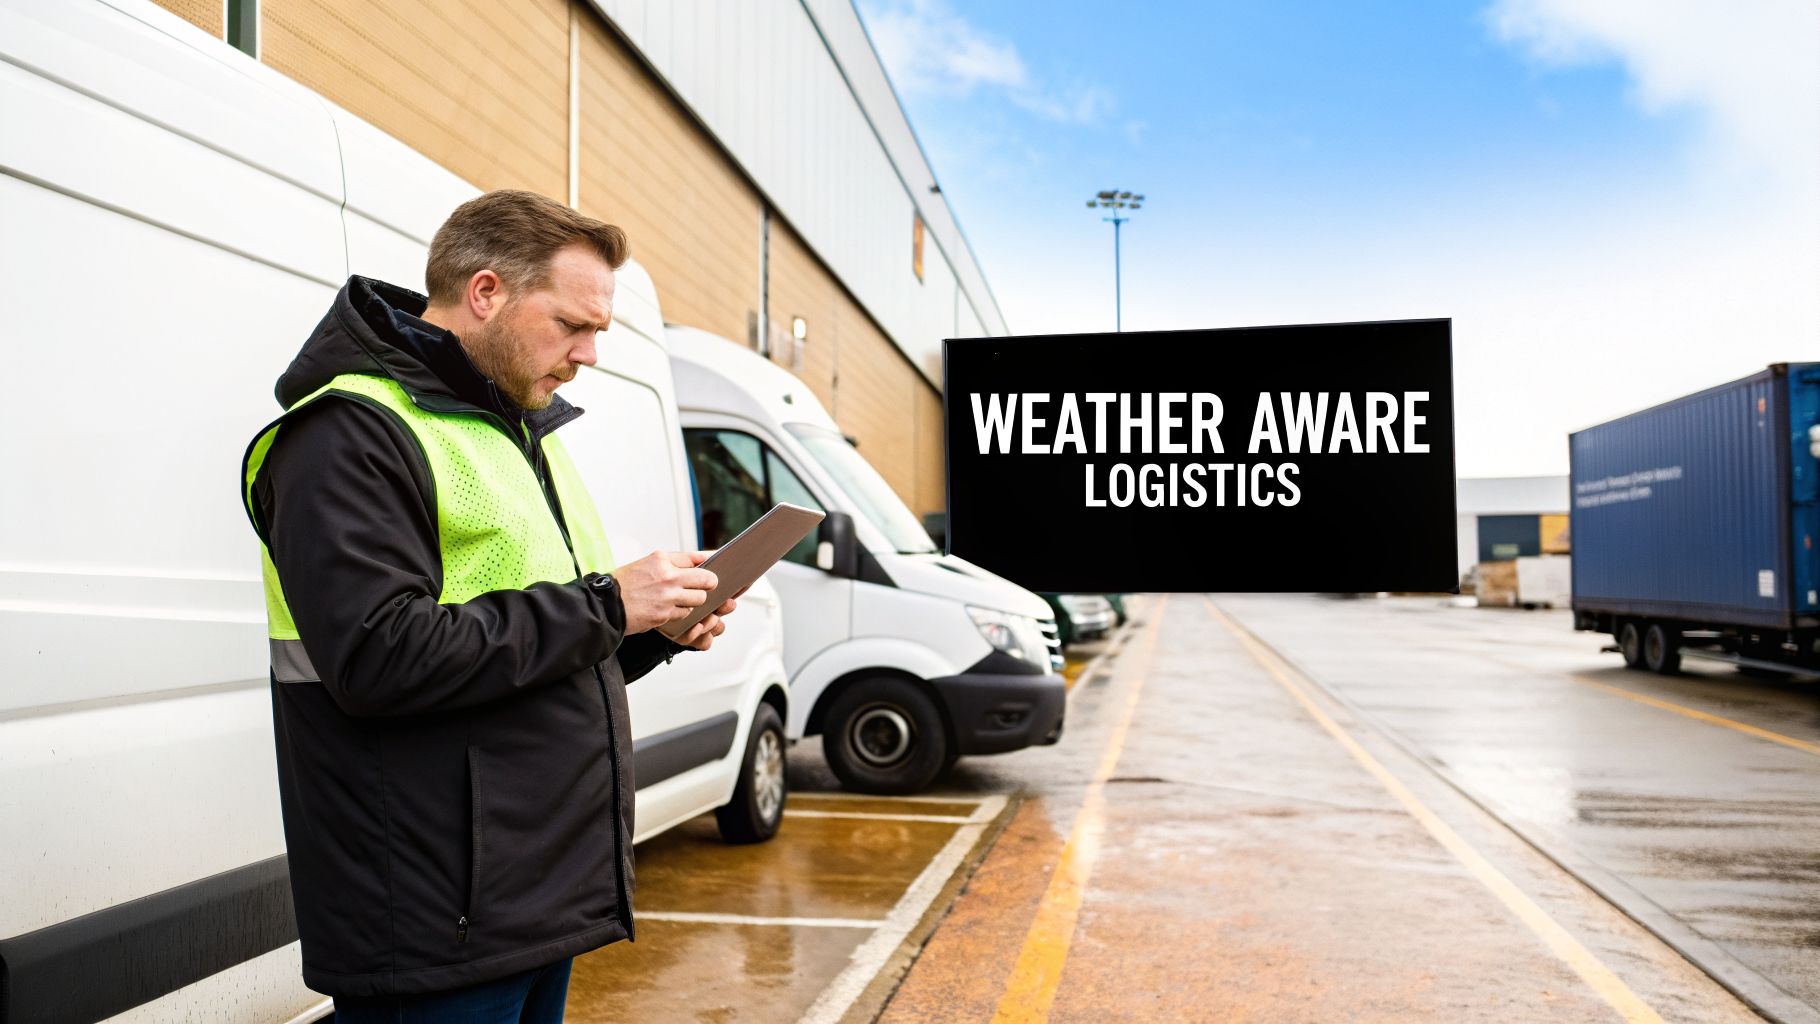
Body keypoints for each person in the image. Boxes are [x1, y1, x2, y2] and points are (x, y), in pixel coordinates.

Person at [240, 190, 737, 1022]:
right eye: (572, 325)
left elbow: (535, 644)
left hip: (528, 900)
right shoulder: (348, 434)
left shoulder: (519, 432)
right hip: (438, 920)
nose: (588, 355)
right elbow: (380, 656)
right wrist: (613, 604)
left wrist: (652, 633)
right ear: (485, 292)